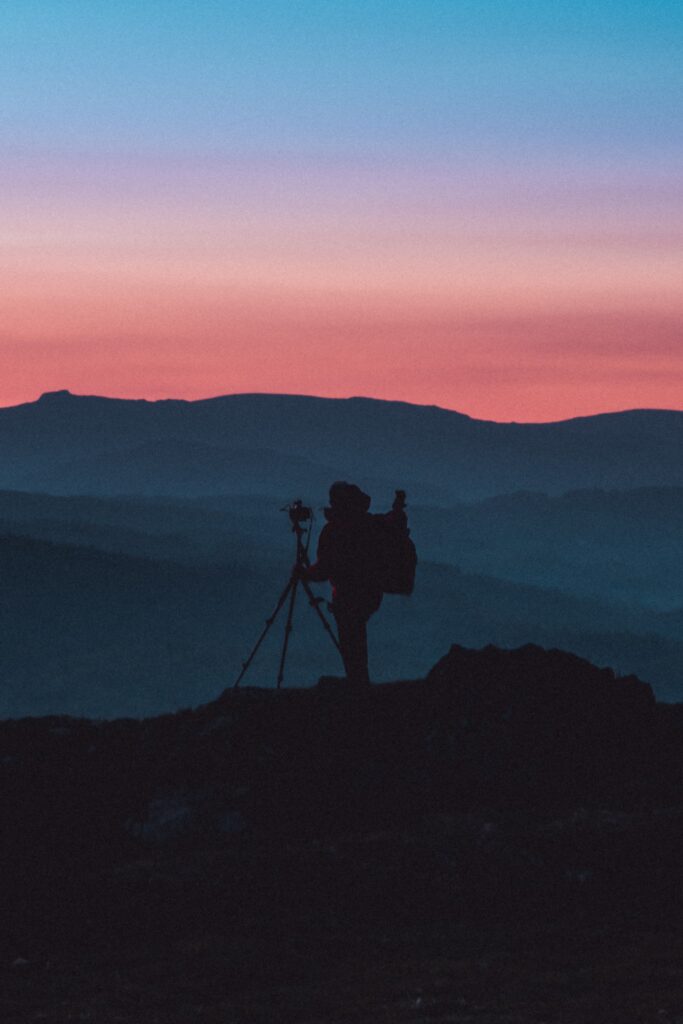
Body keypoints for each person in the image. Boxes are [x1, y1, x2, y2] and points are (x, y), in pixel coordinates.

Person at [300, 481, 382, 687]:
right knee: (357, 644)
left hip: (347, 598)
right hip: (368, 595)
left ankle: (358, 688)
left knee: (350, 644)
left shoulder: (335, 531)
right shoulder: (366, 525)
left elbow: (324, 569)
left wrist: (303, 573)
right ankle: (359, 684)